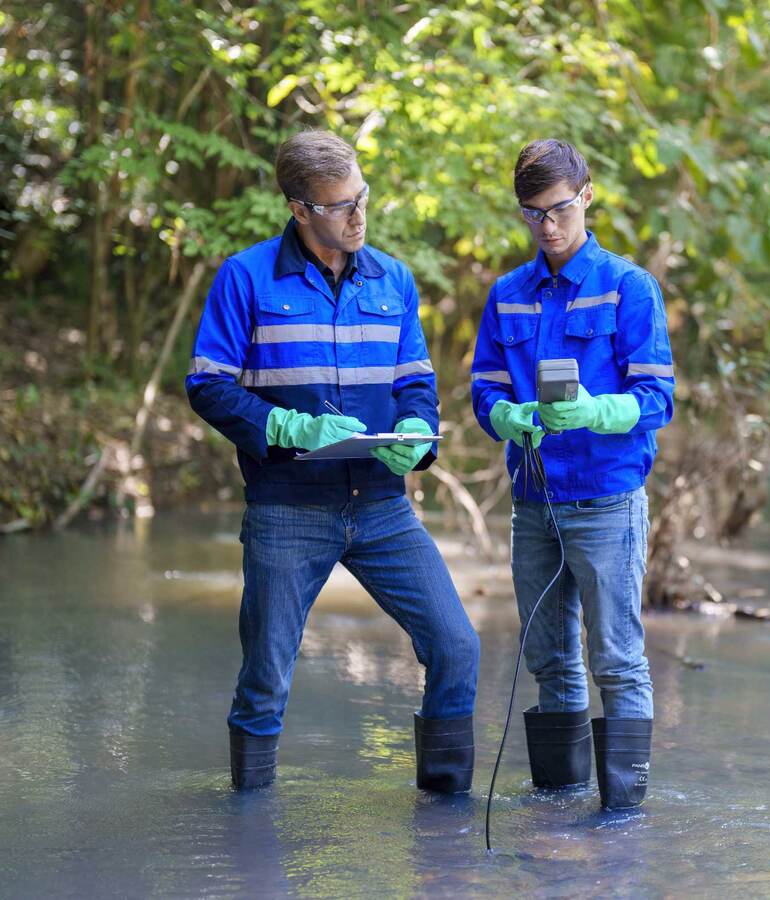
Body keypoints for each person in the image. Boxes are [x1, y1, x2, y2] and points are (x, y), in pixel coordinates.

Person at [185, 130, 479, 793]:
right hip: (287, 506)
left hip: (381, 507)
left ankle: (446, 826)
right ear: (299, 208)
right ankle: (248, 843)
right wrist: (286, 426)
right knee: (266, 675)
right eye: (340, 204)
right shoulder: (247, 278)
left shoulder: (394, 279)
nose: (357, 215)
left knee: (457, 646)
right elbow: (208, 384)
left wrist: (416, 430)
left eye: (361, 197)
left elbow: (416, 385)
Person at [470, 139, 675, 809]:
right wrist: (508, 418)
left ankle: (622, 817)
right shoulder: (508, 295)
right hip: (535, 502)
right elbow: (485, 390)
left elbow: (657, 400)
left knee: (616, 658)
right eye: (533, 214)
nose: (548, 226)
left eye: (558, 209)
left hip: (608, 499)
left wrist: (595, 411)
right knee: (550, 661)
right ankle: (557, 808)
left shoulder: (628, 287)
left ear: (586, 195)